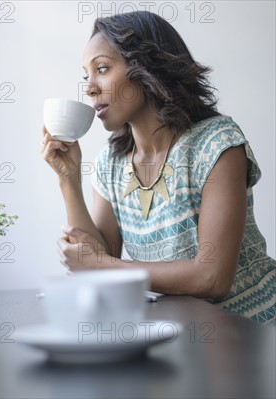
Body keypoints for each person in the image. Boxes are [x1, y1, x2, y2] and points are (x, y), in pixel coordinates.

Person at [41, 11, 275, 324]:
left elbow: (213, 277)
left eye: (102, 69)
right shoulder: (110, 165)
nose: (90, 88)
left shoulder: (216, 144)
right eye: (87, 76)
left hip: (251, 332)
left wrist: (99, 266)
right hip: (177, 338)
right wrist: (68, 180)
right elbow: (98, 263)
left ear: (146, 66)